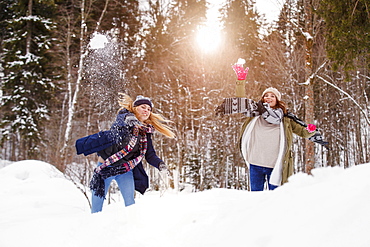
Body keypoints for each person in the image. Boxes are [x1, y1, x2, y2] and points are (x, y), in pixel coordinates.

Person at [215, 64, 318, 191]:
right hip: (255, 164)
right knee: (255, 198)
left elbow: (302, 131)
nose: (268, 97)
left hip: (275, 166)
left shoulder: (285, 120)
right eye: (266, 95)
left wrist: (310, 130)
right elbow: (241, 102)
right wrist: (240, 81)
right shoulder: (255, 114)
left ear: (277, 100)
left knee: (275, 200)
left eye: (272, 96)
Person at [75, 94, 175, 213]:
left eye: (149, 109)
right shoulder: (124, 118)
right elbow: (120, 122)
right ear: (135, 108)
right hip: (105, 169)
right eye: (143, 107)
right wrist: (129, 118)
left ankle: (129, 228)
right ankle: (94, 228)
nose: (146, 111)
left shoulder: (145, 133)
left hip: (124, 170)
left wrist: (160, 165)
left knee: (130, 205)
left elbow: (150, 155)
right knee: (96, 209)